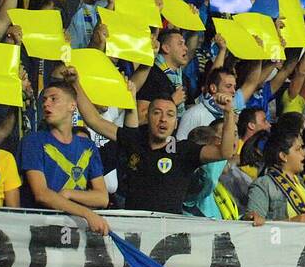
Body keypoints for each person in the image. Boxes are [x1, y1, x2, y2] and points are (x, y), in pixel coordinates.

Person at [66, 68, 238, 215]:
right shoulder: (134, 141)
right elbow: (93, 120)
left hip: (168, 240)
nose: (163, 119)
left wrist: (229, 114)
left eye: (170, 115)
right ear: (147, 117)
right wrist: (75, 84)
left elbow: (226, 152)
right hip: (135, 235)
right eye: (157, 113)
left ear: (176, 122)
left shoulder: (184, 151)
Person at [19, 81, 110, 234]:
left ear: (72, 106)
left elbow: (102, 197)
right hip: (41, 230)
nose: (46, 104)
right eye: (44, 100)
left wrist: (68, 193)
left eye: (54, 99)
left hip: (77, 231)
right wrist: (87, 213)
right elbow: (42, 194)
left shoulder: (88, 146)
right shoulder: (33, 141)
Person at [245, 126, 305, 225]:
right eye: (299, 149)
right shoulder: (264, 184)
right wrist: (290, 222)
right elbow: (253, 224)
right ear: (283, 156)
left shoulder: (304, 182)